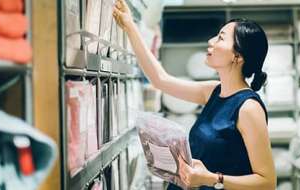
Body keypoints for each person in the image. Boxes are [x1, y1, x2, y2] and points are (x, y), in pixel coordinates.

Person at [113, 0, 276, 189]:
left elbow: (267, 182)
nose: (211, 41)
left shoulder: (248, 108)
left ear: (237, 57)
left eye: (221, 38)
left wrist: (213, 178)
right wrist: (129, 26)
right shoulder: (214, 91)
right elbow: (160, 79)